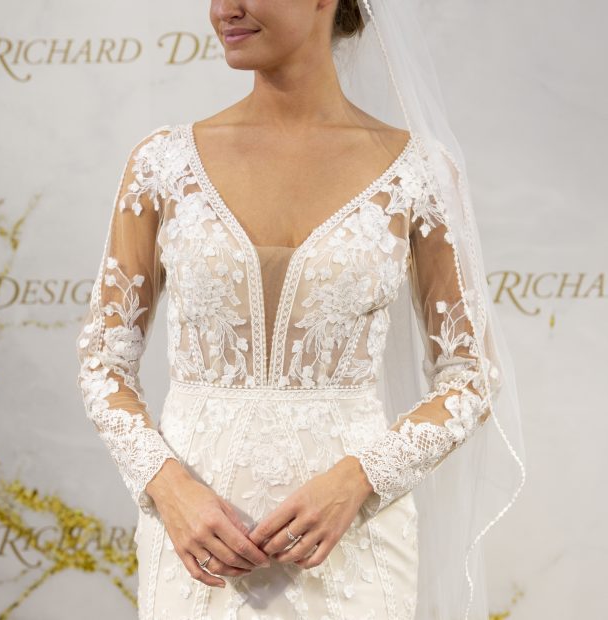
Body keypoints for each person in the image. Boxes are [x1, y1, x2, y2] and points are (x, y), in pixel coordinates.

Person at [76, 1, 526, 618]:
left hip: (354, 546)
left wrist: (360, 479)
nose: (224, 9)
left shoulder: (419, 173)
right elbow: (104, 364)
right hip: (197, 549)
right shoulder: (162, 164)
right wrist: (167, 487)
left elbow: (471, 374)